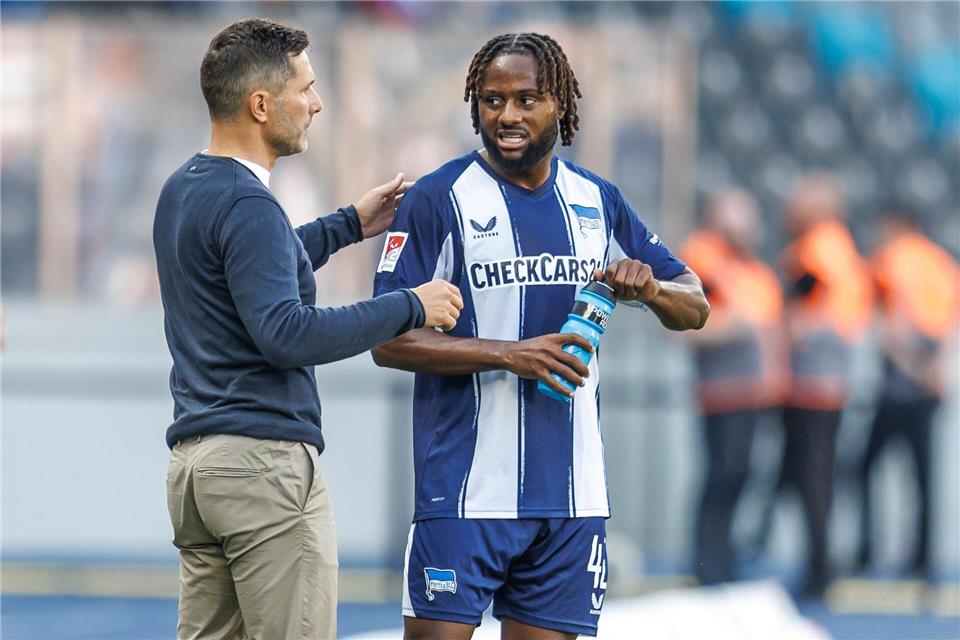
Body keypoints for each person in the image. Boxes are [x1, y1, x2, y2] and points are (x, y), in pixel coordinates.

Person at [372, 33, 709, 640]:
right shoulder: (436, 199)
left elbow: (696, 304)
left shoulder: (598, 201)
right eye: (492, 100)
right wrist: (511, 356)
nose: (508, 115)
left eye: (527, 99)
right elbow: (387, 338)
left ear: (560, 105)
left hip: (572, 501)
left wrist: (652, 290)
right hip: (465, 494)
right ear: (474, 106)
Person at [153, 19, 462, 640]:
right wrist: (411, 305)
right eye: (307, 88)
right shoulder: (250, 204)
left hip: (197, 472)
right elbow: (287, 332)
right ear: (261, 105)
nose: (317, 103)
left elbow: (251, 268)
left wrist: (348, 223)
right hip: (262, 470)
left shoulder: (185, 188)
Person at [680, 188, 789, 585]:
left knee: (742, 474)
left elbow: (771, 330)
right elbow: (685, 327)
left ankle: (725, 557)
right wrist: (735, 328)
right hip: (721, 392)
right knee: (722, 474)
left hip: (753, 393)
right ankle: (708, 564)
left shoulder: (754, 272)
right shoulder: (705, 259)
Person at [776, 175, 873, 597]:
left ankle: (819, 568)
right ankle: (819, 563)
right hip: (828, 381)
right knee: (811, 475)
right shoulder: (841, 247)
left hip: (811, 383)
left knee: (813, 478)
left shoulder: (817, 248)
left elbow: (804, 310)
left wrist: (790, 330)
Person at [854, 207, 959, 578]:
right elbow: (947, 325)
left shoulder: (891, 259)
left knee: (865, 469)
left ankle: (866, 551)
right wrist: (932, 371)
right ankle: (923, 558)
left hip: (901, 386)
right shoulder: (941, 263)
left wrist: (909, 367)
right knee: (922, 478)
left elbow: (889, 325)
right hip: (929, 385)